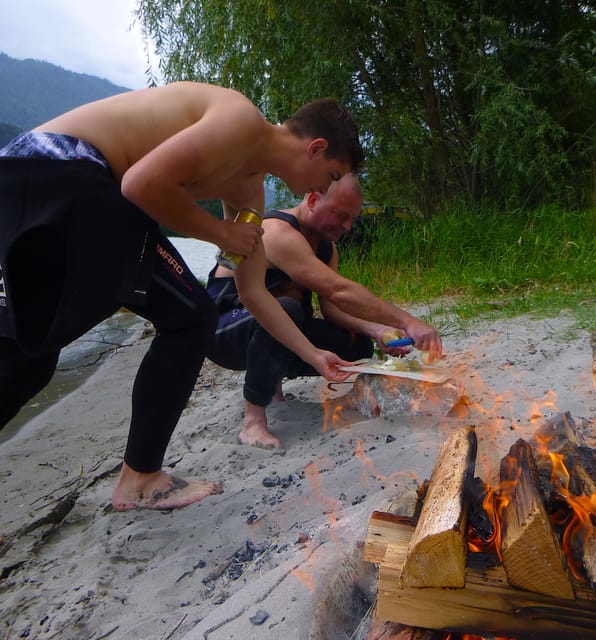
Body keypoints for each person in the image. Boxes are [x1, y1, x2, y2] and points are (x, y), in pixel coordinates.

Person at [0, 81, 364, 510]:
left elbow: (252, 293)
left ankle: (139, 476)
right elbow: (141, 184)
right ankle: (141, 478)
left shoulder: (247, 190)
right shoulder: (242, 121)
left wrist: (315, 354)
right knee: (190, 316)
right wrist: (221, 232)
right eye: (334, 174)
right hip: (68, 169)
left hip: (24, 175)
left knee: (27, 359)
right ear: (316, 148)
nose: (325, 186)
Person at [206, 173, 442, 448]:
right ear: (314, 200)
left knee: (355, 344)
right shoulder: (277, 231)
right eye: (341, 216)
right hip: (221, 329)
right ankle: (254, 420)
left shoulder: (326, 247)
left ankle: (274, 389)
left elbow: (333, 309)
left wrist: (378, 330)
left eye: (351, 219)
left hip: (273, 328)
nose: (347, 226)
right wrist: (409, 321)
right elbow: (338, 289)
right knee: (287, 308)